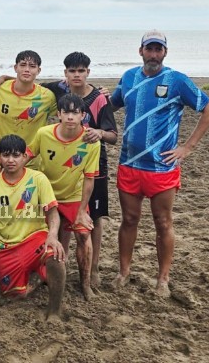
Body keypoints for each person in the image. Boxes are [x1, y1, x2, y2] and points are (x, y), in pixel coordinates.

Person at [110, 30, 209, 296]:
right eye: (150, 49)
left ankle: (163, 279)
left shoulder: (177, 81)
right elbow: (110, 105)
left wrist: (187, 147)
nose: (154, 54)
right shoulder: (128, 77)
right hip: (129, 164)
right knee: (129, 220)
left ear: (165, 53)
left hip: (162, 168)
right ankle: (123, 273)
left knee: (163, 222)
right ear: (141, 51)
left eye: (159, 50)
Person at [41, 52, 117, 288]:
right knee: (62, 217)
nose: (76, 75)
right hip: (62, 162)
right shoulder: (59, 91)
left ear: (88, 73)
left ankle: (92, 269)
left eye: (81, 71)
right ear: (65, 73)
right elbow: (29, 82)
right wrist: (4, 77)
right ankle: (58, 267)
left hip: (93, 162)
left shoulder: (99, 98)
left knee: (92, 217)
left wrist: (99, 133)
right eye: (72, 71)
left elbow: (113, 135)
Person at [0, 134, 66, 321]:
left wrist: (52, 235)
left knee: (55, 256)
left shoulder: (38, 179)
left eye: (16, 155)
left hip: (35, 237)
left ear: (25, 157)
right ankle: (38, 277)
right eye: (6, 155)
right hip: (8, 247)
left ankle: (55, 311)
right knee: (15, 296)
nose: (10, 160)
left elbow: (52, 212)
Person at [27, 94, 100, 300]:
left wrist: (81, 212)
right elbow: (26, 156)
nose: (70, 117)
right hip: (46, 194)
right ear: (58, 114)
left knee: (84, 234)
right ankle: (39, 274)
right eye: (66, 112)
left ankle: (85, 284)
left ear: (82, 116)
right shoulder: (44, 133)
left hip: (74, 196)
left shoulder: (91, 141)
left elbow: (89, 178)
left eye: (75, 112)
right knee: (36, 234)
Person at [0, 50, 57, 147]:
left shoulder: (47, 97)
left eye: (32, 66)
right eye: (23, 65)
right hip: (1, 155)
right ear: (15, 68)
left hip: (32, 159)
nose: (27, 69)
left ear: (38, 71)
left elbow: (65, 116)